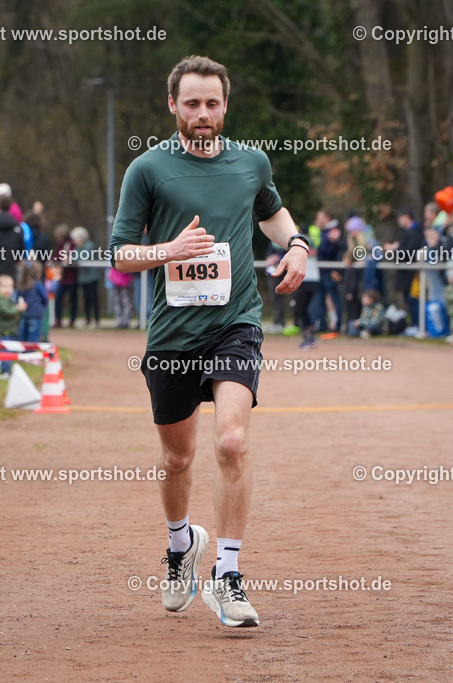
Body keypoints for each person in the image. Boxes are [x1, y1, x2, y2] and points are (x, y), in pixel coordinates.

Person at [108, 55, 306, 628]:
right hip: (173, 335)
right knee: (178, 458)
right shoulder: (148, 169)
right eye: (191, 103)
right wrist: (166, 251)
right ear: (173, 105)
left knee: (233, 442)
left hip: (235, 324)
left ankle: (228, 575)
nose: (202, 113)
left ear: (225, 106)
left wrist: (297, 244)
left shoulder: (251, 163)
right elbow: (119, 253)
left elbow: (272, 212)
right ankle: (181, 545)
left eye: (212, 103)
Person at [0, 274, 27, 379]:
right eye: (5, 286)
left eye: (11, 286)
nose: (8, 289)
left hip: (11, 331)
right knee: (5, 353)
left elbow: (13, 313)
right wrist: (18, 309)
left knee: (9, 353)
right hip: (5, 332)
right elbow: (6, 312)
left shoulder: (8, 300)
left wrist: (19, 310)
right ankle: (4, 372)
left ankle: (7, 370)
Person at [70, 227, 101, 327]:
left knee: (94, 298)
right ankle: (88, 319)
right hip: (83, 278)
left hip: (92, 277)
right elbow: (74, 258)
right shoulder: (77, 247)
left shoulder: (90, 246)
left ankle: (97, 319)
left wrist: (75, 258)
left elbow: (83, 258)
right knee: (86, 300)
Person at [17, 261, 49, 342]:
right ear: (37, 273)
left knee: (23, 337)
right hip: (36, 315)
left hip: (24, 314)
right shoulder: (38, 284)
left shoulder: (21, 285)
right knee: (34, 338)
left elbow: (18, 298)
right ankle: (32, 349)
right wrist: (43, 306)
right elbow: (44, 297)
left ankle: (22, 349)